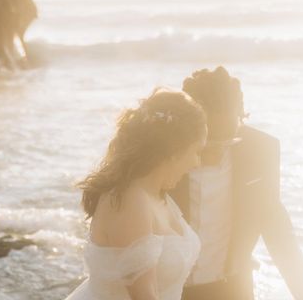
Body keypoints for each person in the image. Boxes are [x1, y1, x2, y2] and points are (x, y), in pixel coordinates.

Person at [170, 66, 303, 300]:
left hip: (233, 290)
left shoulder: (261, 151)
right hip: (167, 291)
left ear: (241, 116)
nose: (217, 150)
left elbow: (280, 236)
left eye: (228, 140)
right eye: (209, 141)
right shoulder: (162, 153)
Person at [66, 88, 208, 300]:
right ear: (174, 150)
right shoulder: (128, 200)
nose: (197, 163)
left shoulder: (159, 196)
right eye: (196, 151)